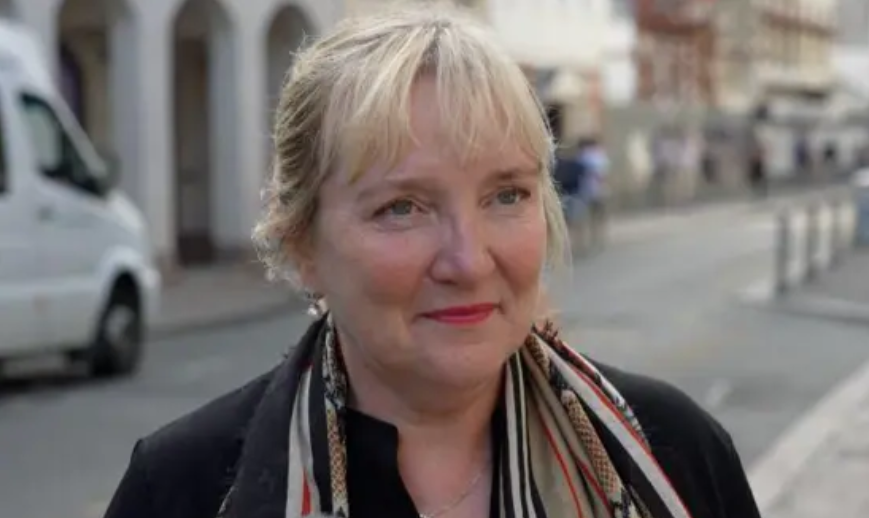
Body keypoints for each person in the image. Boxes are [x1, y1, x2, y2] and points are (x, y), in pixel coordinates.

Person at [103, 6, 761, 518]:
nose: (469, 261)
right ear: (303, 243)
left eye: (506, 195)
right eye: (403, 208)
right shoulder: (189, 488)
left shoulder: (671, 452)